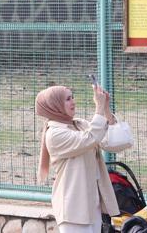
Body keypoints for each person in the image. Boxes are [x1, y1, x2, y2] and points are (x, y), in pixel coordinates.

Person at [36, 84, 132, 233]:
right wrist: (98, 108)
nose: (73, 102)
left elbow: (112, 142)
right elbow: (91, 138)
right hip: (73, 209)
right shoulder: (54, 134)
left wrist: (105, 109)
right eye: (67, 99)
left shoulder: (80, 124)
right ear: (54, 105)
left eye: (72, 97)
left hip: (92, 205)